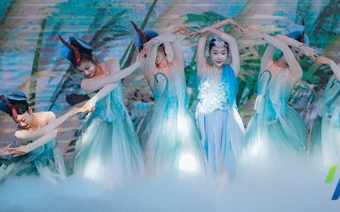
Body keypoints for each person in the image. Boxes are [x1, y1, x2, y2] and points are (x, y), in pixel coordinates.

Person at [59, 35, 144, 188]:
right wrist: (135, 64)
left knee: (122, 163)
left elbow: (114, 82)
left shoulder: (112, 63)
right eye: (81, 71)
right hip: (101, 124)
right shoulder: (86, 84)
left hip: (120, 120)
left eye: (87, 67)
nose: (86, 73)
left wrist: (93, 100)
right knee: (100, 166)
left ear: (93, 59)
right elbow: (110, 82)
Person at [238, 25, 316, 170]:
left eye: (301, 56)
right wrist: (301, 46)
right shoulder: (266, 63)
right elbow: (279, 38)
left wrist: (263, 35)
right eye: (296, 52)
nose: (297, 57)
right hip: (259, 123)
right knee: (258, 165)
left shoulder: (295, 73)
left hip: (280, 123)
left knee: (281, 166)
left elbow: (284, 46)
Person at [134, 23, 207, 176]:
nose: (152, 55)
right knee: (162, 170)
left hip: (183, 124)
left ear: (163, 46)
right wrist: (154, 44)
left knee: (186, 168)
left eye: (155, 49)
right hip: (162, 127)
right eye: (147, 54)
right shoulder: (150, 73)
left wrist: (161, 37)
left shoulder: (178, 65)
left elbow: (174, 39)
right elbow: (150, 61)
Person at [192, 18, 245, 180]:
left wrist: (223, 23)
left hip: (226, 122)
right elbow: (202, 38)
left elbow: (232, 41)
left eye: (223, 53)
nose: (219, 57)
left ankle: (224, 188)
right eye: (215, 53)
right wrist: (208, 30)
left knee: (224, 163)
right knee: (207, 161)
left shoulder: (231, 70)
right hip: (206, 121)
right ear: (209, 53)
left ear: (228, 54)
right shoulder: (203, 69)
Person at [0, 92, 78, 184]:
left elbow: (51, 134)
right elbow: (43, 133)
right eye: (18, 122)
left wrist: (28, 148)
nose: (22, 124)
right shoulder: (19, 133)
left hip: (55, 160)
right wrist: (70, 113)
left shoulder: (48, 116)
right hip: (34, 166)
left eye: (23, 120)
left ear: (30, 109)